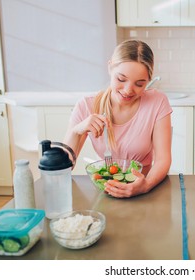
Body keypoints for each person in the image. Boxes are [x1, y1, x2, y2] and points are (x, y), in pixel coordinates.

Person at [64, 39, 172, 198]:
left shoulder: (157, 102)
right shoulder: (86, 105)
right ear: (110, 67)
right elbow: (64, 168)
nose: (128, 90)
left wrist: (145, 186)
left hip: (145, 192)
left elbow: (163, 159)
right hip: (104, 191)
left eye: (139, 84)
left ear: (148, 80)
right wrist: (76, 131)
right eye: (121, 79)